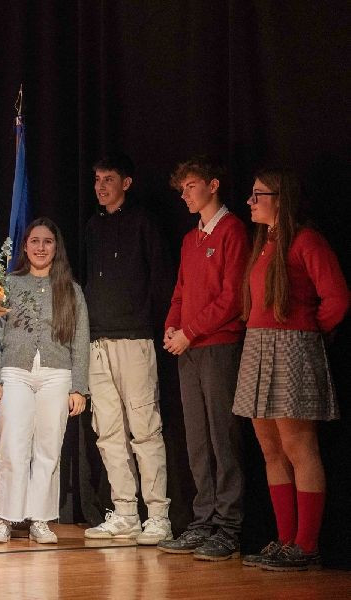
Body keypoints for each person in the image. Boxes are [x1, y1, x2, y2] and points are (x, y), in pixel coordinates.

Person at [232, 168, 348, 571]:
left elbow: (336, 298)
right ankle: (285, 540)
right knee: (271, 450)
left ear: (280, 198)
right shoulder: (264, 244)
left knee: (300, 448)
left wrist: (308, 334)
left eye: (257, 195)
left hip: (293, 349)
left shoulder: (306, 241)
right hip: (259, 348)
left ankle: (307, 544)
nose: (251, 202)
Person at [157, 157, 250, 560]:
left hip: (217, 346)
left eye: (191, 186)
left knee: (221, 436)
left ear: (213, 185)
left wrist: (190, 332)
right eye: (181, 189)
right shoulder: (190, 238)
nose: (185, 195)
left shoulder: (232, 230)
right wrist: (171, 328)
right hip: (188, 349)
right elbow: (180, 292)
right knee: (196, 439)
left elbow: (231, 298)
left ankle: (228, 527)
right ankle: (202, 520)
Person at [83, 153, 174, 545]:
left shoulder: (143, 223)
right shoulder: (92, 226)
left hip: (135, 340)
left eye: (109, 179)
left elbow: (161, 280)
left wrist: (147, 322)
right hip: (98, 342)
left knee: (145, 430)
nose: (101, 186)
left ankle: (159, 515)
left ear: (127, 183)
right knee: (107, 432)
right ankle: (125, 512)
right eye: (97, 179)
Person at [0, 217, 89, 544]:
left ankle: (40, 518)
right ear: (25, 246)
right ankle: (6, 517)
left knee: (48, 447)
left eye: (48, 242)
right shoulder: (9, 285)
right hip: (15, 372)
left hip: (57, 375)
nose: (41, 248)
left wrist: (79, 388)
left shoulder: (71, 290)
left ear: (56, 248)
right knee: (12, 444)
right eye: (35, 241)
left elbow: (81, 339)